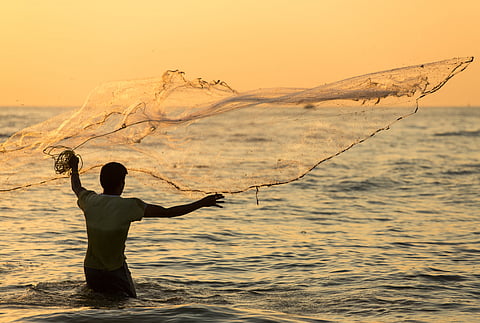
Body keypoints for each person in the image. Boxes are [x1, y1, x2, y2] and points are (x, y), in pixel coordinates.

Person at [68, 155, 224, 298]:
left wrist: (74, 168)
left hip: (91, 270)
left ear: (101, 182)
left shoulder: (89, 201)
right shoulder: (129, 206)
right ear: (122, 184)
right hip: (114, 271)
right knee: (127, 305)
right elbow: (168, 212)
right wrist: (202, 203)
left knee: (97, 305)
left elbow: (76, 186)